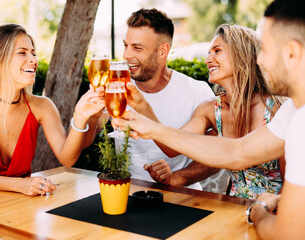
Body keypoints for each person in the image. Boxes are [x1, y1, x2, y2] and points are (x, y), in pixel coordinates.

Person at [114, 0, 305, 238]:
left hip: (273, 215)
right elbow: (236, 153)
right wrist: (146, 116)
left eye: (266, 49)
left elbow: (288, 229)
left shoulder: (286, 111)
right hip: (234, 213)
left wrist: (258, 210)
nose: (261, 60)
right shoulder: (290, 113)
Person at [0, 24, 105, 196]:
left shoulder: (42, 106)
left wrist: (81, 117)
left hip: (18, 206)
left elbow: (67, 158)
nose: (33, 59)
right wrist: (20, 185)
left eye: (33, 53)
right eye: (22, 53)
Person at [144, 24, 285, 199]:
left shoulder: (277, 110)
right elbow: (172, 147)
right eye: (209, 53)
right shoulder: (210, 110)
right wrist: (142, 107)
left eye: (217, 51)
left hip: (277, 213)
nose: (208, 59)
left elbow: (292, 187)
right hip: (232, 210)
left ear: (241, 54)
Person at [116, 8, 214, 189]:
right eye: (125, 45)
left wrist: (178, 177)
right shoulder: (116, 88)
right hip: (123, 194)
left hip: (182, 199)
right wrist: (90, 117)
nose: (126, 55)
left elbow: (217, 154)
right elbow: (83, 142)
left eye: (137, 47)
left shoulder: (197, 93)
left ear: (163, 51)